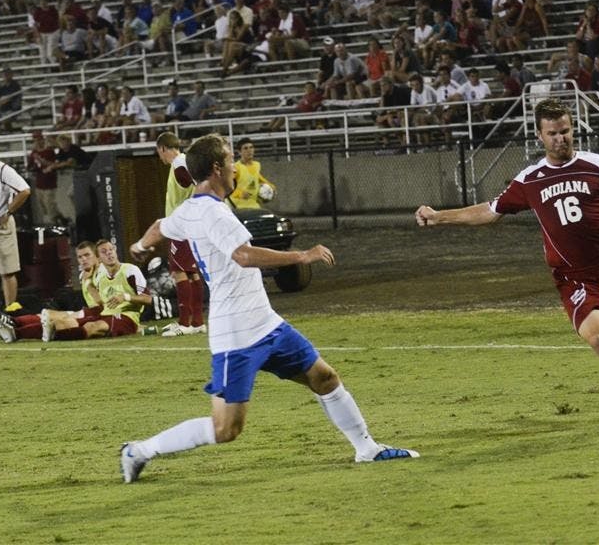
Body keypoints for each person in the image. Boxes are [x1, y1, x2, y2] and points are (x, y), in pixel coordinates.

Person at [120, 134, 418, 483]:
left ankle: (366, 448)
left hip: (265, 322)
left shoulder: (190, 209)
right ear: (217, 169)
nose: (235, 167)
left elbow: (160, 226)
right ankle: (138, 451)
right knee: (226, 427)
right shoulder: (215, 214)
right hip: (236, 334)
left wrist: (139, 245)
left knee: (324, 377)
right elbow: (244, 256)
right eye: (231, 160)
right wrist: (301, 256)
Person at [414, 98, 599, 427]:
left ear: (573, 130)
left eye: (565, 131)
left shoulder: (597, 165)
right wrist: (439, 217)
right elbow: (490, 211)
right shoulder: (530, 179)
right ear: (539, 136)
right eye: (552, 134)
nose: (560, 139)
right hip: (577, 279)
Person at [0, 241, 103, 343]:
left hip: (100, 314)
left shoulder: (103, 274)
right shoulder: (84, 274)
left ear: (97, 256)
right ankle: (12, 322)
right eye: (80, 257)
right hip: (89, 311)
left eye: (87, 255)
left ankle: (16, 330)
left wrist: (89, 283)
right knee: (46, 314)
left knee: (55, 320)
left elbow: (104, 304)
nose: (83, 259)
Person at [155, 132, 206, 337]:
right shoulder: (183, 162)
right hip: (190, 226)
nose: (159, 156)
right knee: (192, 272)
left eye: (158, 152)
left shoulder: (179, 164)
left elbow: (197, 183)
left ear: (163, 149)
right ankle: (198, 322)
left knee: (179, 272)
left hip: (182, 227)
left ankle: (184, 323)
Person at [0, 159, 31, 312]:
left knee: (7, 271)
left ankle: (10, 312)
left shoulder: (1, 169)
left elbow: (25, 190)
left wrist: (9, 212)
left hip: (0, 226)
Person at [229, 137, 275, 209]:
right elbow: (227, 186)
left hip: (253, 205)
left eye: (251, 147)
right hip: (237, 206)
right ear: (239, 152)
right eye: (245, 148)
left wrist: (271, 186)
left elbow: (258, 178)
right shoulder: (236, 167)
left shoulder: (256, 165)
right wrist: (239, 193)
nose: (249, 150)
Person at [26, 130, 60, 224]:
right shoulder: (33, 153)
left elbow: (54, 164)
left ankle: (54, 224)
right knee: (43, 206)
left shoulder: (49, 151)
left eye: (39, 139)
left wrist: (40, 160)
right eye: (35, 139)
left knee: (50, 205)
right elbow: (30, 167)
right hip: (39, 183)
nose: (37, 141)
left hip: (50, 183)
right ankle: (56, 220)